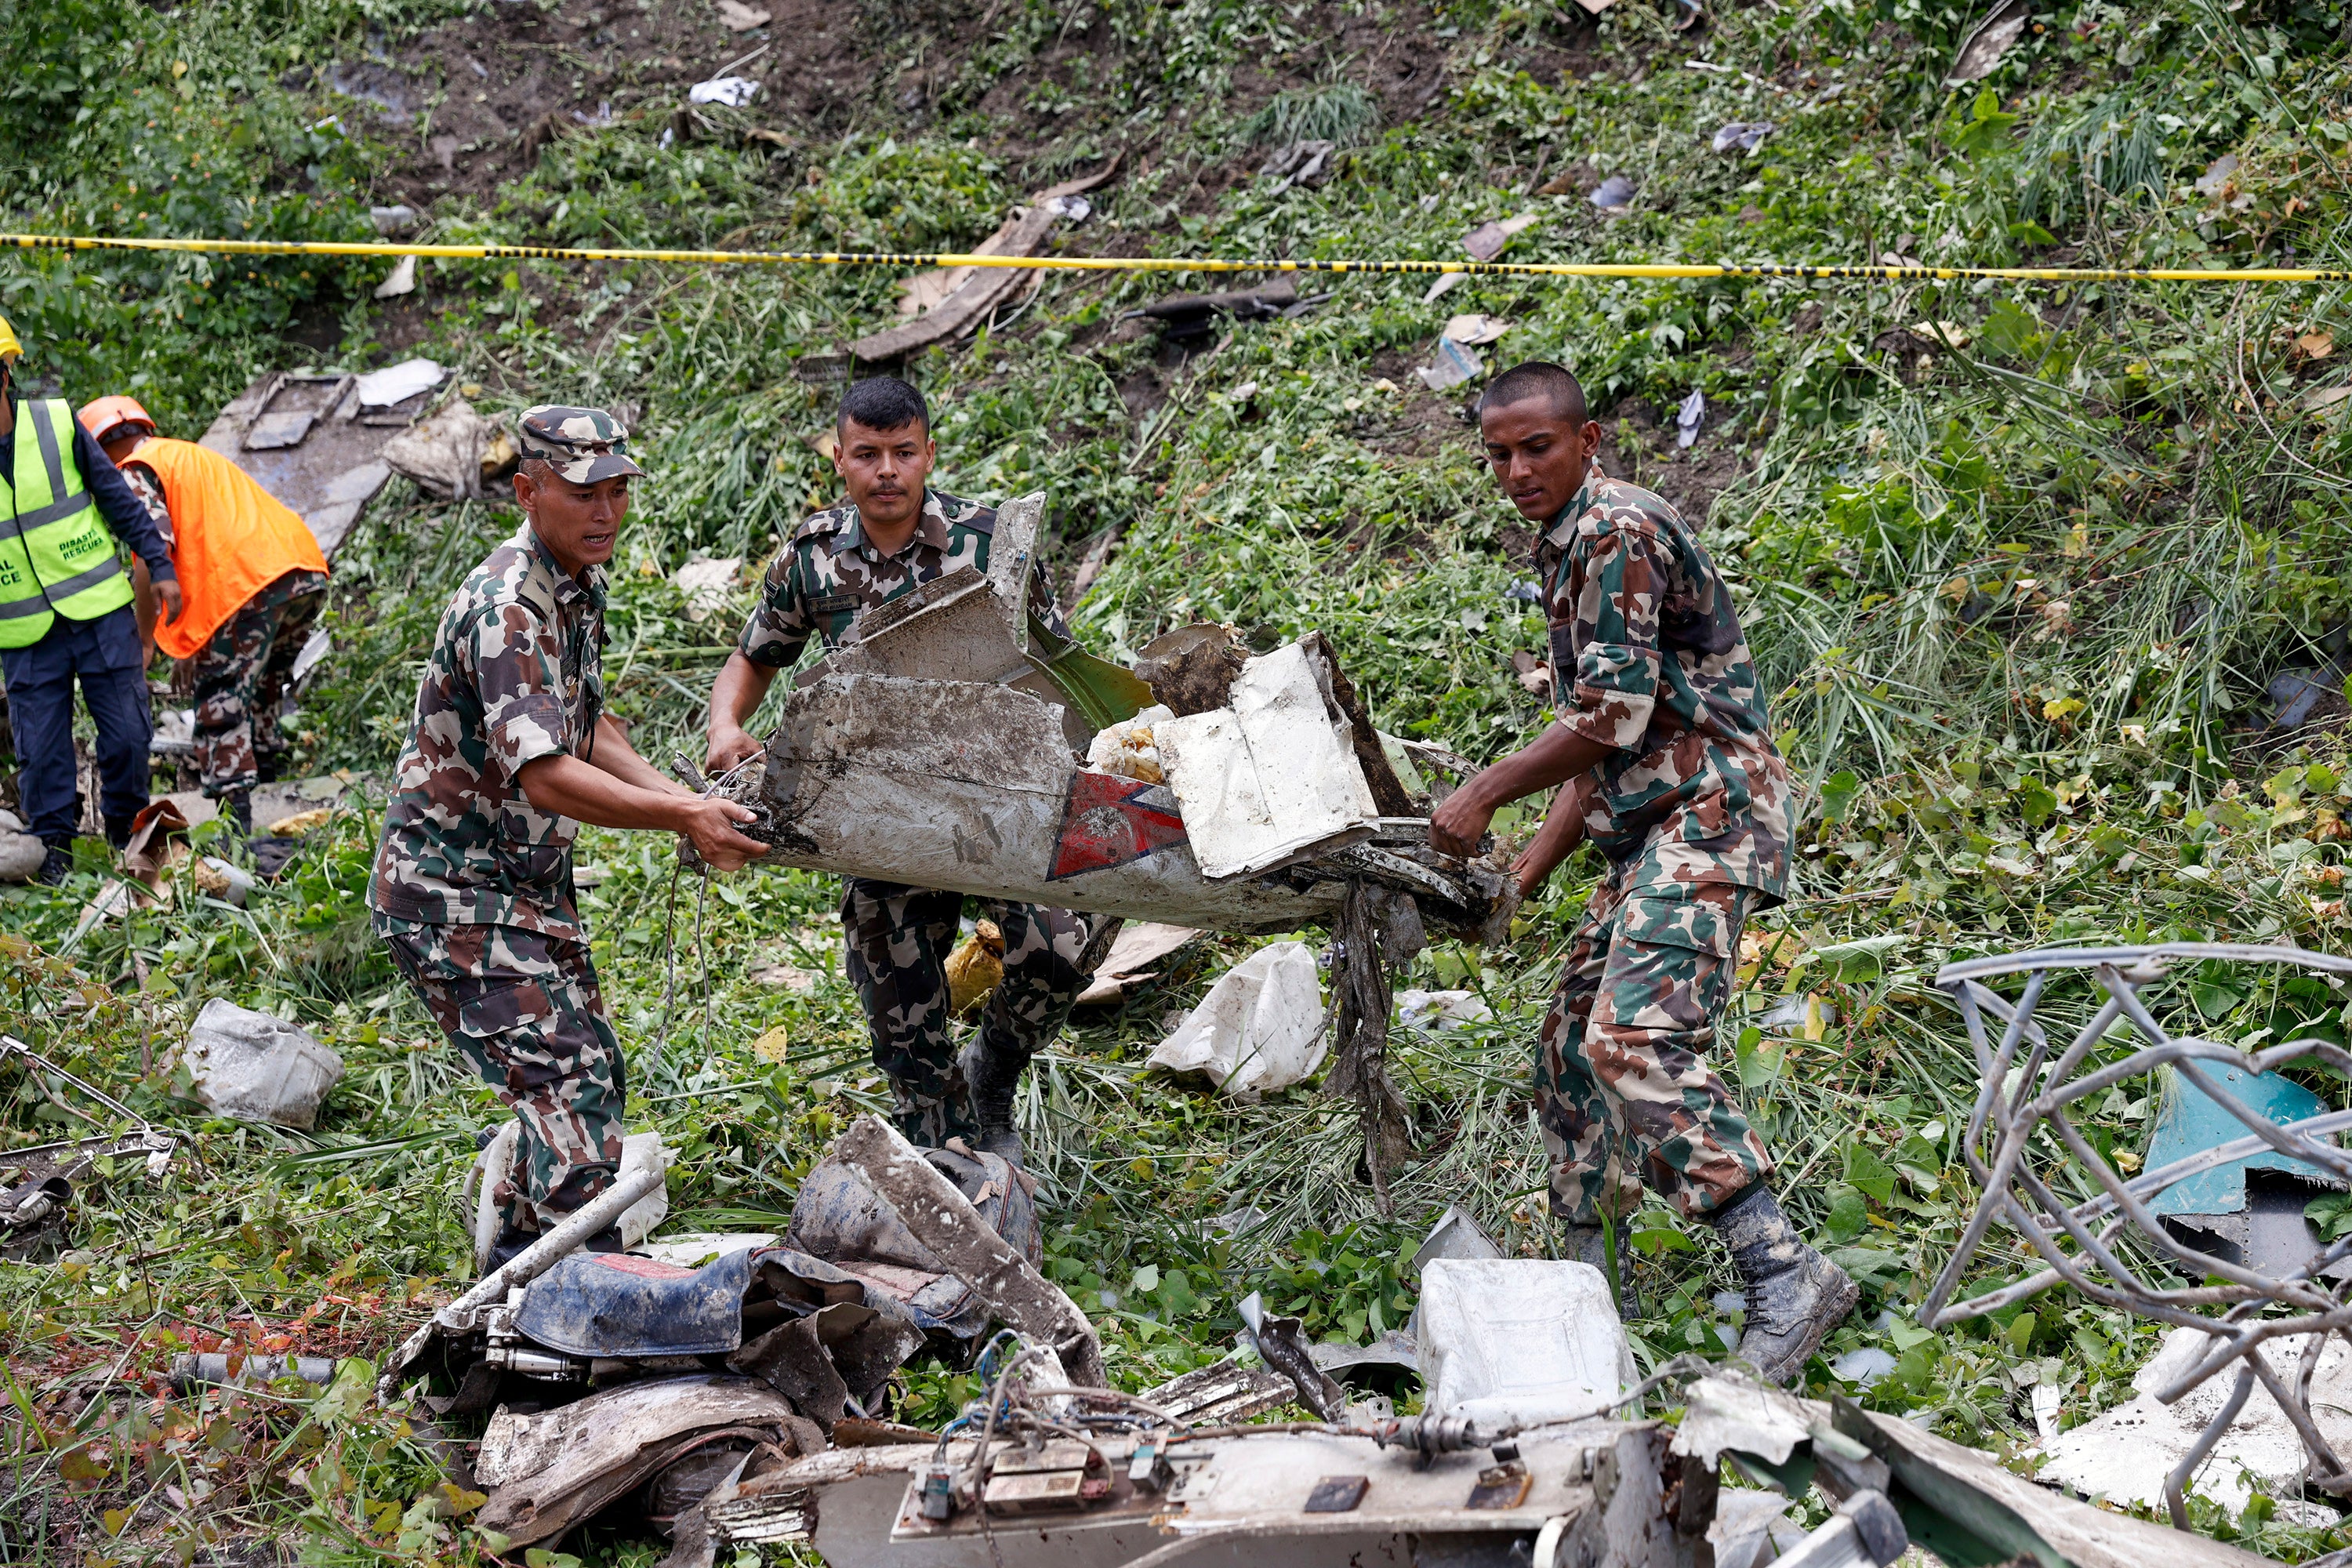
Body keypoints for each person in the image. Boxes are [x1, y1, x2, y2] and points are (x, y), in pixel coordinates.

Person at [1428, 361, 1856, 1385]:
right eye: (1499, 454)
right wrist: (1525, 872)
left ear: (1589, 440)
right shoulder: (1567, 546)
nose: (1518, 470)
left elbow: (1605, 722)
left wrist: (1485, 794)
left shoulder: (1616, 532)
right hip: (1653, 819)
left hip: (1710, 813)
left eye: (1537, 447)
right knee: (1571, 1051)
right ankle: (1587, 1303)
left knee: (1633, 1040)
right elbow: (1608, 740)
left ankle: (1786, 1279)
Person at [370, 405, 768, 1264]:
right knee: (569, 1082)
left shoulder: (574, 584)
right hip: (453, 897)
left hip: (515, 888)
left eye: (620, 490)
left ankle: (512, 1284)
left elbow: (587, 727)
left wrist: (689, 798)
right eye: (586, 492)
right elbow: (545, 770)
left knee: (585, 1072)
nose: (607, 512)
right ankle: (578, 1299)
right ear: (528, 489)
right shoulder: (508, 606)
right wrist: (682, 815)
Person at [704, 376, 1086, 1164]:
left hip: (993, 797)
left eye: (903, 453)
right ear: (839, 459)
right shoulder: (812, 560)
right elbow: (753, 657)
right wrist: (725, 724)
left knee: (1054, 952)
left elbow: (1060, 668)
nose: (887, 471)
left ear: (928, 455)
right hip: (881, 815)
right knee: (900, 995)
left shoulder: (988, 543)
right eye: (868, 454)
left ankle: (994, 1076)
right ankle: (944, 1144)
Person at [77, 395, 331, 835]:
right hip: (300, 570)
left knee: (220, 704)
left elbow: (150, 559)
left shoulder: (134, 473)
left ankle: (238, 834)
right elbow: (204, 543)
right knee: (263, 686)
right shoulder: (186, 454)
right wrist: (192, 640)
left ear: (96, 452)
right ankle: (271, 801)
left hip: (245, 585)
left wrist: (145, 641)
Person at [0, 313, 181, 884]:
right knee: (42, 751)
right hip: (24, 632)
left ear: (3, 373)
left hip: (99, 610)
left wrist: (159, 565)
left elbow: (118, 499)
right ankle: (55, 854)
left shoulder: (54, 423)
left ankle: (131, 837)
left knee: (128, 734)